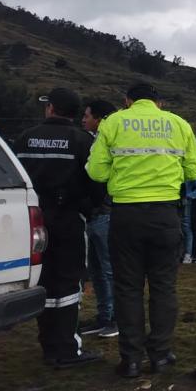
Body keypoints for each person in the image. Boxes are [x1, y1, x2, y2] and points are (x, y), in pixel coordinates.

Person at [86, 82, 196, 378]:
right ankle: (161, 355)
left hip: (126, 215)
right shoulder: (178, 124)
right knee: (164, 287)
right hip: (165, 215)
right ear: (159, 102)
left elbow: (96, 171)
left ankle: (131, 360)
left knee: (127, 289)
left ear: (127, 100)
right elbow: (194, 171)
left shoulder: (114, 122)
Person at [16, 87, 100, 367]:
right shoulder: (81, 140)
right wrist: (90, 208)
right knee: (69, 283)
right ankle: (67, 348)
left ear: (51, 108)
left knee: (44, 280)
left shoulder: (26, 138)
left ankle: (49, 344)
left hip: (35, 222)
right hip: (68, 219)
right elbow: (95, 183)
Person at [80, 98, 119, 339]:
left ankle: (115, 318)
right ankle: (103, 316)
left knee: (108, 268)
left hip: (106, 212)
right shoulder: (92, 141)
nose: (84, 120)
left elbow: (101, 177)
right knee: (96, 269)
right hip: (93, 214)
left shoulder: (110, 141)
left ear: (100, 118)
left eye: (87, 115)